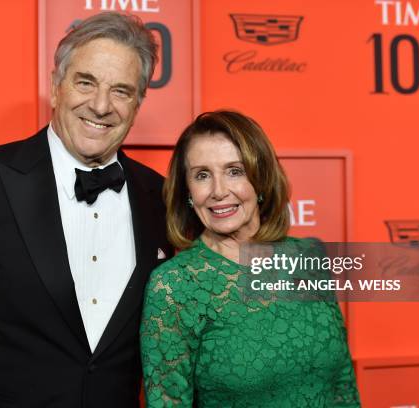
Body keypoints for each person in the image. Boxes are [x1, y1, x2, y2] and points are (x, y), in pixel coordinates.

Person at [0, 12, 172, 407]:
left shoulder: (159, 197)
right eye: (85, 82)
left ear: (138, 103)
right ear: (56, 87)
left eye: (121, 91)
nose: (100, 105)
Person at [140, 110, 360, 407]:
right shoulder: (174, 286)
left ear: (261, 178)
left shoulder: (309, 257)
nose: (219, 191)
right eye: (202, 175)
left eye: (235, 171)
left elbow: (342, 385)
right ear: (188, 192)